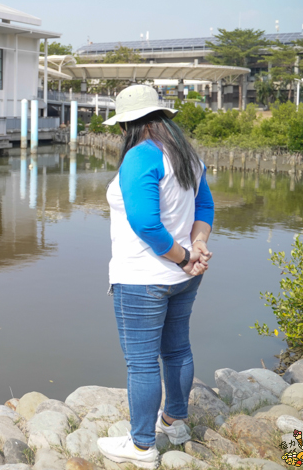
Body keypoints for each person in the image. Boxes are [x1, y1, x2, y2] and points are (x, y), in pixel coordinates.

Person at [96, 85, 215, 470]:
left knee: (142, 363)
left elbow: (146, 223)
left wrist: (184, 257)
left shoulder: (139, 156)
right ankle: (174, 422)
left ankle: (142, 446)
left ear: (126, 125)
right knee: (177, 349)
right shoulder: (185, 155)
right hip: (182, 277)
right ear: (162, 117)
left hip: (143, 278)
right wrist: (196, 247)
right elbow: (205, 204)